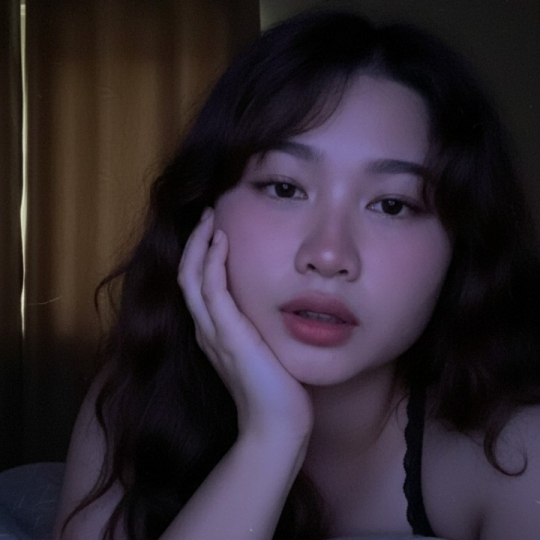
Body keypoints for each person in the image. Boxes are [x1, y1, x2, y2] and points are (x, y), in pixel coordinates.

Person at [53, 9, 540, 540]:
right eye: (285, 188)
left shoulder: (515, 451)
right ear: (203, 210)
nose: (328, 256)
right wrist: (271, 438)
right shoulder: (132, 401)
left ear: (460, 246)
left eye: (392, 205)